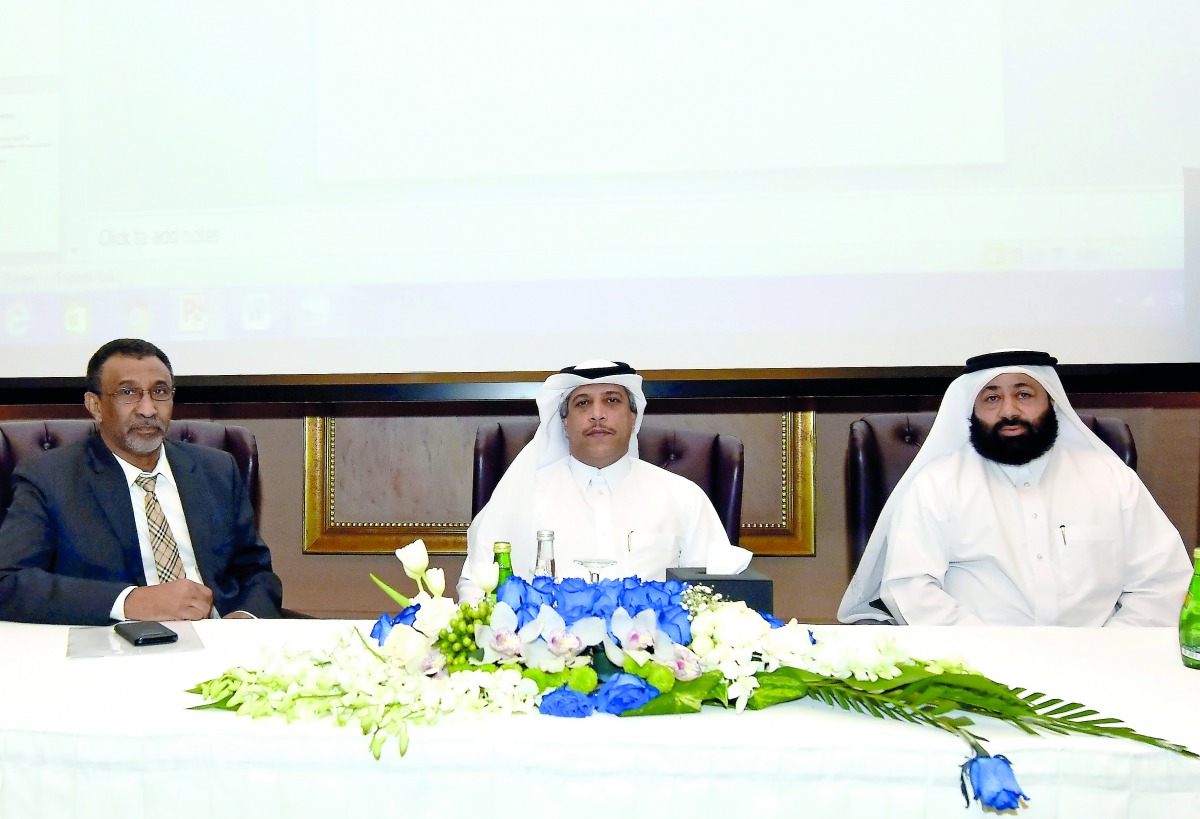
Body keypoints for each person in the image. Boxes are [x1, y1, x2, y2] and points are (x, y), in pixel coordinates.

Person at [839, 349, 1191, 626]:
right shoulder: (937, 484)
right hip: (976, 671)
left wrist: (1110, 650)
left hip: (1102, 666)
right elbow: (910, 587)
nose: (1009, 411)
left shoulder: (1112, 480)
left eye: (1024, 394)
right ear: (972, 410)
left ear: (1050, 402)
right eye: (991, 398)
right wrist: (989, 654)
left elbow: (1162, 582)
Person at [0, 338, 283, 625]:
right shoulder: (50, 478)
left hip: (220, 637)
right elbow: (9, 582)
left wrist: (245, 620)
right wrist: (128, 601)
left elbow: (256, 572)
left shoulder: (217, 469)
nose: (148, 410)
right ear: (95, 405)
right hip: (116, 645)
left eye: (159, 392)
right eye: (128, 393)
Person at [458, 360, 751, 601]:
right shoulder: (519, 496)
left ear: (633, 417)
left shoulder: (683, 497)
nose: (597, 415)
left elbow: (715, 596)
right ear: (565, 422)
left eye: (612, 401)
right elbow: (475, 585)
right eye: (583, 403)